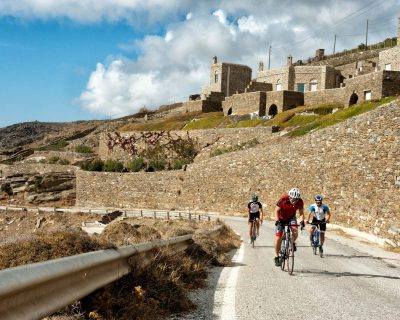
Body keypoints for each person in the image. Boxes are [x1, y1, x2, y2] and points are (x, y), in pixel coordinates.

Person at [274, 188, 305, 266]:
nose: (294, 201)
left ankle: (292, 242)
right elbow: (276, 211)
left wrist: (302, 221)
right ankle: (277, 256)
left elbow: (301, 213)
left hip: (291, 218)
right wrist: (277, 221)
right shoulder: (283, 200)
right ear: (289, 197)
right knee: (278, 238)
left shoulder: (300, 202)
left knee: (295, 232)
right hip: (281, 219)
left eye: (296, 199)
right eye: (293, 199)